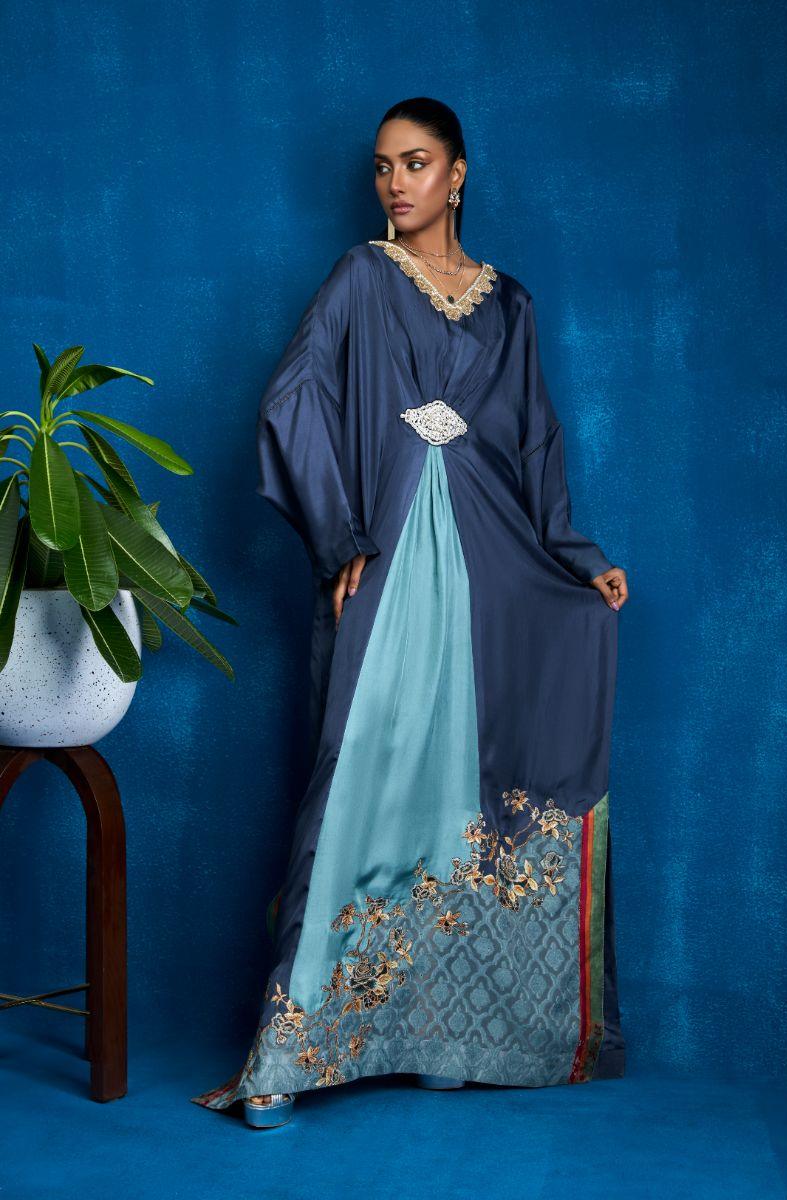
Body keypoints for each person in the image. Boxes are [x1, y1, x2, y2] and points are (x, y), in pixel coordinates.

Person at [191, 96, 629, 1129]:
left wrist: (577, 560)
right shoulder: (360, 278)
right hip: (390, 549)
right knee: (360, 773)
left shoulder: (509, 304)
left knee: (457, 780)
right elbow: (292, 399)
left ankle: (439, 1028)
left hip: (489, 558)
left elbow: (534, 448)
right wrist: (339, 537)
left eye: (417, 162)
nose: (395, 182)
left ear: (457, 174)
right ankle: (290, 1052)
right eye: (384, 165)